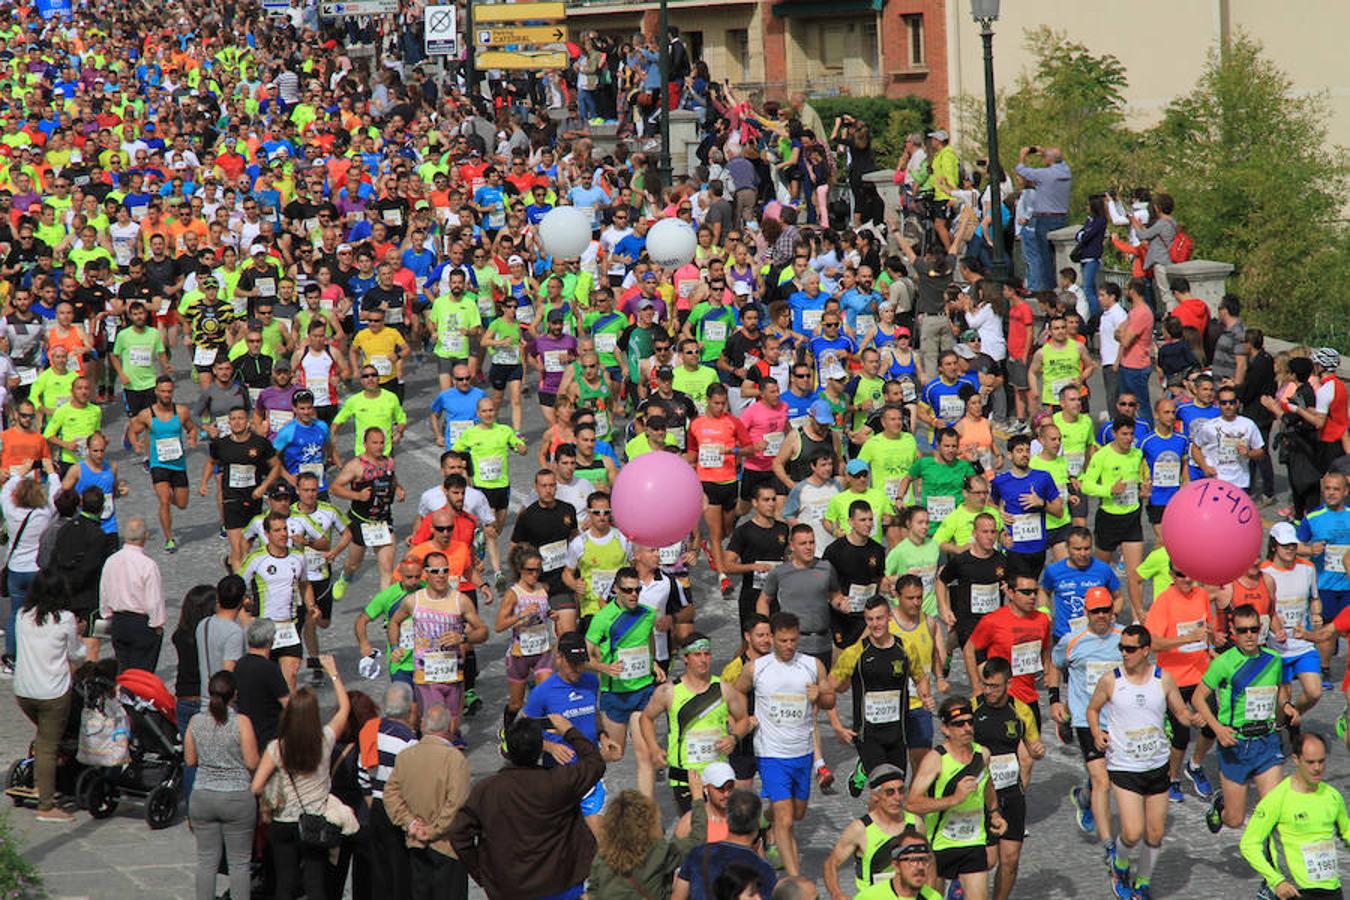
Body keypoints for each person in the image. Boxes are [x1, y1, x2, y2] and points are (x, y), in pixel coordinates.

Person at [1087, 624, 1195, 900]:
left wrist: (1193, 719)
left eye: (1131, 649)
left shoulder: (1163, 679)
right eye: (1122, 648)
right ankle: (1120, 864)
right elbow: (1093, 708)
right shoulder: (1112, 680)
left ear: (1146, 650)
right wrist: (1097, 732)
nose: (1125, 653)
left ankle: (1142, 884)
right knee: (1133, 833)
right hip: (1124, 767)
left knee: (1156, 833)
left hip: (1157, 765)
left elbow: (1180, 711)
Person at [450, 712, 605, 900]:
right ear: (541, 748)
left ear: (508, 752)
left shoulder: (487, 790)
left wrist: (482, 874)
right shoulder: (560, 782)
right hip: (561, 883)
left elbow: (459, 834)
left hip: (510, 887)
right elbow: (595, 762)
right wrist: (569, 731)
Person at [732, 610, 835, 877]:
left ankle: (766, 818)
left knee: (797, 813)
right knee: (786, 821)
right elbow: (737, 690)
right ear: (773, 639)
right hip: (771, 754)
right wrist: (744, 719)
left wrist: (820, 695)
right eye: (783, 640)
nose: (789, 646)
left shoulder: (812, 665)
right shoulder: (757, 668)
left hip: (802, 752)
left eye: (793, 640)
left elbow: (830, 700)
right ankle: (795, 878)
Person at [250, 655, 351, 900]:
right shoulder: (324, 740)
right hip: (314, 821)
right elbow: (345, 709)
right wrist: (334, 673)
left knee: (285, 882)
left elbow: (256, 786)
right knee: (315, 883)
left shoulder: (277, 747)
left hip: (283, 821)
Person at [1195, 603, 1297, 835]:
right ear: (1233, 631)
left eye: (1253, 629)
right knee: (1234, 820)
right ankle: (1221, 807)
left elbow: (1281, 689)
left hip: (1267, 741)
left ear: (1261, 629)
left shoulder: (1273, 659)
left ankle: (1269, 868)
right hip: (1235, 744)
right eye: (1243, 630)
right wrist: (1217, 728)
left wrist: (1286, 705)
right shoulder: (1223, 663)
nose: (1249, 635)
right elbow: (1198, 697)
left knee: (1273, 811)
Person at [907, 696, 1006, 900]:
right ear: (945, 729)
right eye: (959, 724)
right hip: (940, 844)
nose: (967, 728)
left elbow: (987, 786)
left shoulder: (983, 755)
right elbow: (912, 803)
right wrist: (954, 799)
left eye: (970, 722)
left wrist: (995, 813)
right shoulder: (936, 760)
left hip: (973, 841)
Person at [1051, 586, 1123, 851]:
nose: (1102, 615)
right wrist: (1054, 699)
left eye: (1106, 609)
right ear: (1086, 612)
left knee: (1111, 778)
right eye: (1096, 611)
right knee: (1103, 779)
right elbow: (1055, 665)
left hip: (1118, 718)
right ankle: (1109, 845)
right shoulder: (1072, 640)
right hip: (1085, 719)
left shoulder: (1124, 637)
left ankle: (1084, 797)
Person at [1239, 731, 1350, 900]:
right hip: (1295, 891)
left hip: (1331, 890)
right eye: (1310, 762)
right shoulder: (1278, 798)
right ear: (1296, 759)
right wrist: (1276, 881)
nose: (1317, 768)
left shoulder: (1333, 796)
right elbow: (1249, 844)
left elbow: (1347, 832)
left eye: (1321, 761)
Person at [13, 568, 86, 821]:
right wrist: (80, 632)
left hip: (24, 691)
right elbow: (77, 654)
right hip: (51, 693)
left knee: (45, 736)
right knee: (47, 746)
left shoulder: (22, 615)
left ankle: (41, 779)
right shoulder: (65, 618)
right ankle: (46, 804)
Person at [383, 703, 472, 900]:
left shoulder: (406, 757)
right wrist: (433, 830)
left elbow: (390, 794)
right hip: (447, 848)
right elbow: (456, 804)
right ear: (450, 728)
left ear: (423, 726)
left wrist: (411, 823)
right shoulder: (455, 760)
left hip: (415, 843)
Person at [185, 671, 260, 900]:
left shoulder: (196, 721)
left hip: (203, 795)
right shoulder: (241, 722)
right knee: (239, 863)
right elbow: (252, 761)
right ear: (234, 694)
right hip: (236, 796)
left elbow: (190, 760)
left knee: (206, 861)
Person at [1144, 564, 1216, 804]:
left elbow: (1206, 630)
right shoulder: (1164, 601)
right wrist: (1185, 639)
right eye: (1181, 574)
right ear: (1172, 576)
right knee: (1181, 735)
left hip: (1201, 675)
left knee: (1212, 724)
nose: (1187, 578)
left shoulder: (1203, 595)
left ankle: (1194, 765)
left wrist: (1212, 644)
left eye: (1190, 574)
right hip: (1174, 679)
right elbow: (1152, 643)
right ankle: (1172, 778)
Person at [823, 763, 925, 898]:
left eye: (901, 790)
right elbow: (831, 864)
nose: (897, 798)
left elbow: (929, 862)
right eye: (890, 792)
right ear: (876, 795)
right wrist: (837, 894)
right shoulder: (860, 830)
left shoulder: (915, 824)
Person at [1, 464, 61, 674]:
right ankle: (41, 655)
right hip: (37, 570)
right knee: (42, 613)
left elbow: (5, 491)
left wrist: (18, 474)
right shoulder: (43, 513)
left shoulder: (11, 511)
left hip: (16, 570)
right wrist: (52, 473)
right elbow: (56, 494)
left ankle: (13, 658)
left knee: (16, 615)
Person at [672, 789, 778, 900]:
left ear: (727, 819)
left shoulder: (697, 854)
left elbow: (677, 897)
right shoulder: (763, 869)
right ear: (757, 823)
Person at [366, 682, 419, 900]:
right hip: (397, 808)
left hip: (375, 805)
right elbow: (413, 782)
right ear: (410, 709)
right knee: (401, 869)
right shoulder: (409, 741)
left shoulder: (370, 731)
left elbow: (363, 772)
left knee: (380, 869)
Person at [99, 517, 167, 673]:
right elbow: (154, 599)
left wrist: (106, 617)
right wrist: (157, 624)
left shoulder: (111, 561)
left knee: (124, 667)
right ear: (146, 536)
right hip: (141, 623)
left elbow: (104, 591)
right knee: (143, 670)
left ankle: (125, 695)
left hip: (118, 621)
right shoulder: (148, 565)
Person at [853, 827, 943, 900]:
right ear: (896, 865)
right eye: (912, 860)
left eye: (924, 860)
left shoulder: (933, 898)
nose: (920, 867)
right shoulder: (870, 897)